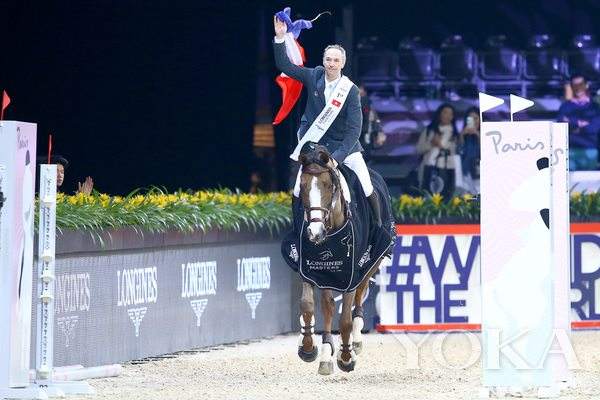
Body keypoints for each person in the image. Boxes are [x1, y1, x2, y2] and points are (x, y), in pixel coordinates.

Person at [273, 15, 381, 226]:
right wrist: (279, 38)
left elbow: (354, 130)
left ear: (343, 63)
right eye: (328, 59)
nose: (331, 64)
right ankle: (298, 232)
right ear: (323, 61)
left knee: (367, 185)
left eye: (336, 60)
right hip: (314, 146)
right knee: (298, 188)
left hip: (344, 147)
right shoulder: (313, 76)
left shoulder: (350, 91)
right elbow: (285, 65)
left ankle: (380, 229)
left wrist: (337, 158)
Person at [416, 103, 459, 200]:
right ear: (439, 114)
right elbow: (419, 149)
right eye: (445, 112)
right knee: (428, 196)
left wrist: (441, 145)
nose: (447, 116)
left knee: (445, 198)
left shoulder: (455, 134)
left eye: (450, 114)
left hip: (447, 169)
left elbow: (456, 152)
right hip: (429, 167)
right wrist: (431, 144)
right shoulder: (429, 130)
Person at [557, 74, 600, 170]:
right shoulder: (565, 106)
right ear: (571, 87)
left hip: (590, 148)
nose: (578, 88)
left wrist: (572, 123)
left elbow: (594, 128)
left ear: (586, 85)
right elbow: (561, 126)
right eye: (574, 85)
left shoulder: (595, 107)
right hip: (569, 150)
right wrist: (581, 123)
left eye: (580, 84)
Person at [457, 107, 480, 194]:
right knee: (467, 200)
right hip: (465, 173)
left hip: (480, 174)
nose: (474, 121)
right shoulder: (463, 135)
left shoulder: (487, 134)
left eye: (476, 118)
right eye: (471, 119)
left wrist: (478, 136)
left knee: (478, 199)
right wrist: (462, 136)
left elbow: (486, 153)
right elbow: (459, 153)